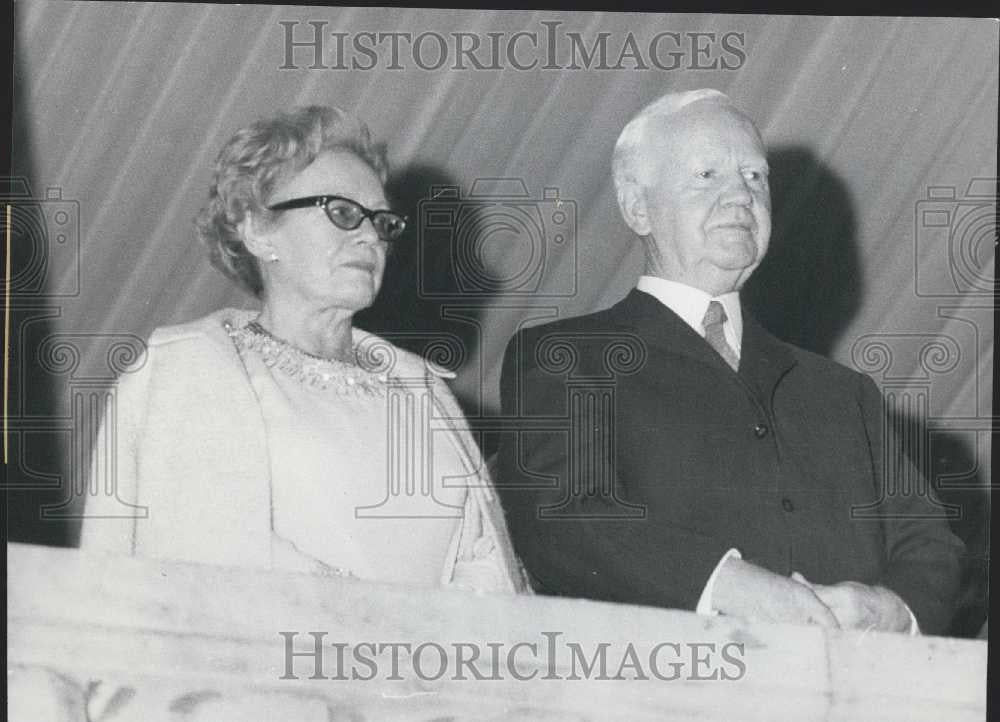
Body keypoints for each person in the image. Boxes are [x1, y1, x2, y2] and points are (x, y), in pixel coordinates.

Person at [496, 89, 964, 634]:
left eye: (755, 178)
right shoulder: (564, 360)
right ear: (637, 206)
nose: (741, 196)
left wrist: (886, 608)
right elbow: (563, 520)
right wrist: (730, 586)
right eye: (707, 176)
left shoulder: (843, 393)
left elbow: (932, 547)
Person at [81, 105, 526, 594]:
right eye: (341, 213)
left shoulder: (422, 388)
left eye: (382, 223)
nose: (370, 236)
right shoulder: (196, 364)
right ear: (256, 228)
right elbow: (202, 558)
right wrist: (390, 625)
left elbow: (489, 566)